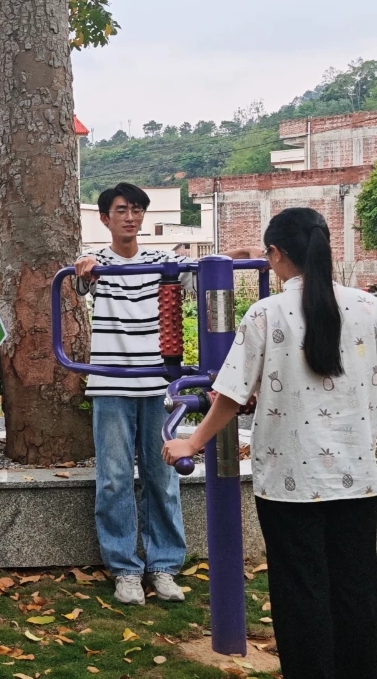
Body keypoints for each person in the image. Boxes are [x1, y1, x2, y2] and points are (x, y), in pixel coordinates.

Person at [164, 208, 377, 679]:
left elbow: (230, 393)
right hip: (359, 474)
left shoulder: (267, 312)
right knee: (356, 587)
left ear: (276, 255)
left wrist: (192, 442)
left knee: (302, 588)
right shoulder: (368, 307)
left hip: (291, 479)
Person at [76, 182, 252, 605]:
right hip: (112, 384)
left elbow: (200, 272)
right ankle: (125, 569)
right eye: (122, 210)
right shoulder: (96, 262)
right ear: (105, 218)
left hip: (157, 385)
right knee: (114, 479)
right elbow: (81, 275)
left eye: (137, 210)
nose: (130, 217)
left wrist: (235, 257)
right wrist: (84, 267)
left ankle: (164, 566)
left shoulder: (161, 261)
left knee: (163, 475)